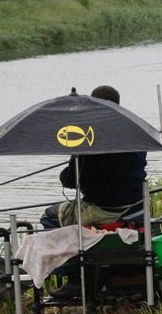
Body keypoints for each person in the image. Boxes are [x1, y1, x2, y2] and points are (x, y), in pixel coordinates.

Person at [41, 85, 148, 230]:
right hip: (138, 205)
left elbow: (71, 180)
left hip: (105, 209)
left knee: (49, 215)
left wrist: (66, 171)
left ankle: (69, 252)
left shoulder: (88, 139)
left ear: (93, 105)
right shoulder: (134, 131)